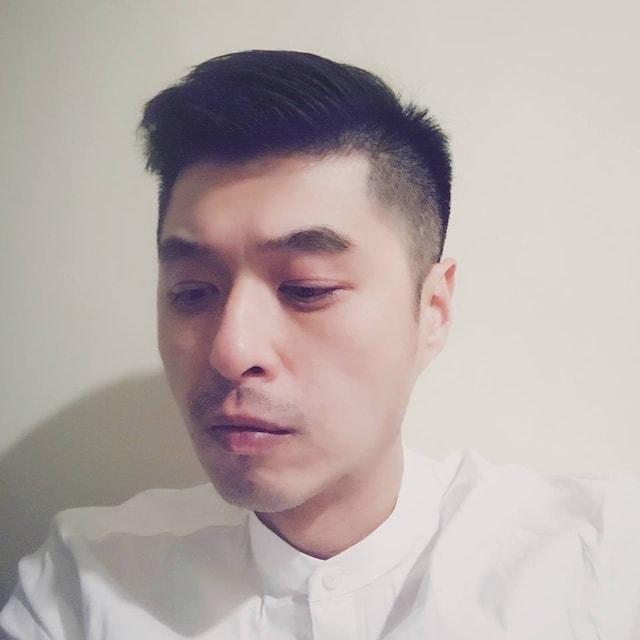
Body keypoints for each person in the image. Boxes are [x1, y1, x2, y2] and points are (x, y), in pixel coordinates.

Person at [1, 50, 638, 640]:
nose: (231, 351)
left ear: (433, 312)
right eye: (192, 291)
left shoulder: (597, 562)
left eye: (307, 289)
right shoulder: (87, 587)